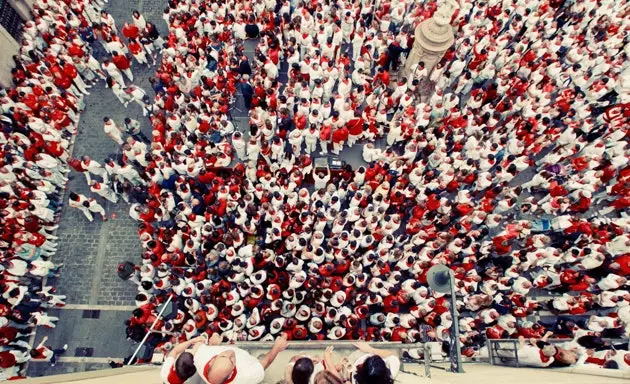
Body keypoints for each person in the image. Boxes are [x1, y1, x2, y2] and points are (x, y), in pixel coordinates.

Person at [194, 333, 288, 384]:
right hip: (251, 361)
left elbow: (197, 345)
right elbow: (264, 364)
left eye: (223, 356)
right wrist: (276, 348)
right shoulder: (246, 377)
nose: (230, 353)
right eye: (231, 361)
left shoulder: (200, 357)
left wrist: (212, 345)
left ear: (212, 361)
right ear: (230, 373)